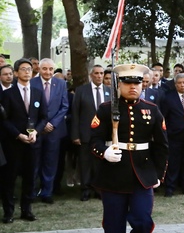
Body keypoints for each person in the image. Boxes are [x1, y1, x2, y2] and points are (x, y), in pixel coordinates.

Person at [90, 64, 168, 233]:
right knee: (113, 230)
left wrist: (158, 175)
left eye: (137, 83)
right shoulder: (105, 110)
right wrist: (103, 152)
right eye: (128, 83)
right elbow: (92, 139)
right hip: (112, 178)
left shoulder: (152, 109)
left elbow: (162, 146)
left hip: (141, 177)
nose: (133, 87)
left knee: (142, 223)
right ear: (119, 85)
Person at [0, 58, 47, 223]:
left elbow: (43, 117)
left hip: (33, 143)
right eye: (23, 69)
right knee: (9, 178)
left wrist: (36, 132)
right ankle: (9, 212)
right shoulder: (7, 94)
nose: (27, 72)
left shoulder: (38, 93)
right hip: (14, 143)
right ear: (15, 73)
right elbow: (4, 120)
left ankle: (27, 209)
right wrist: (18, 135)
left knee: (30, 178)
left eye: (29, 69)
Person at [30, 58, 69, 203]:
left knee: (50, 162)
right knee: (34, 162)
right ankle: (32, 192)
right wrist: (42, 124)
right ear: (39, 69)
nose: (48, 72)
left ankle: (47, 192)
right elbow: (28, 106)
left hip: (54, 130)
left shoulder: (61, 83)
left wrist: (52, 123)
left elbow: (64, 106)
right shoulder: (32, 82)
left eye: (51, 69)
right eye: (45, 69)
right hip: (36, 130)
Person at [71, 65, 110, 201]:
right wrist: (75, 135)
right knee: (85, 163)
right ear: (91, 75)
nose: (99, 76)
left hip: (103, 135)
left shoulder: (109, 91)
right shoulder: (81, 91)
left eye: (101, 73)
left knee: (100, 163)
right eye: (97, 73)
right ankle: (85, 189)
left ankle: (99, 189)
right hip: (85, 133)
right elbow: (75, 114)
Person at [159, 74, 184, 197]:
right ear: (175, 84)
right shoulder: (168, 98)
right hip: (174, 136)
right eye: (179, 83)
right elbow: (164, 117)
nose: (182, 85)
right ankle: (170, 187)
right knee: (173, 163)